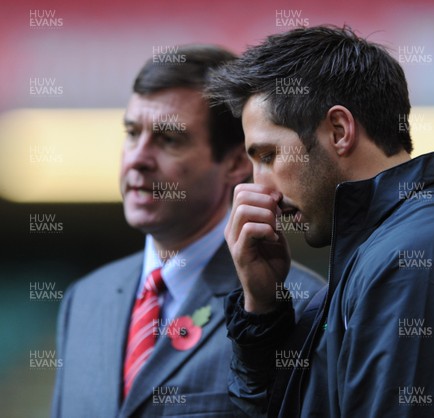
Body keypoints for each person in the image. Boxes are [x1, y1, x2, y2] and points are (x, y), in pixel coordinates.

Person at [207, 26, 434, 417]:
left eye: (267, 155)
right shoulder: (384, 250)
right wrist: (263, 311)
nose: (258, 188)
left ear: (339, 131)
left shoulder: (418, 255)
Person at [51, 45, 324, 418]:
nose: (137, 158)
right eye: (132, 133)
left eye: (168, 140)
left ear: (233, 165)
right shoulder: (84, 300)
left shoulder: (300, 303)